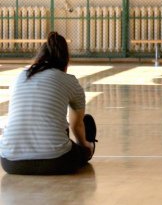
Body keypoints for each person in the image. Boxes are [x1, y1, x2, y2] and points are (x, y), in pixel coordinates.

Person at [0, 32, 97, 175]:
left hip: (10, 162)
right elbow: (76, 124)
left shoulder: (19, 76)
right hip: (56, 162)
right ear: (65, 60)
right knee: (85, 122)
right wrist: (85, 147)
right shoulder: (70, 81)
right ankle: (87, 149)